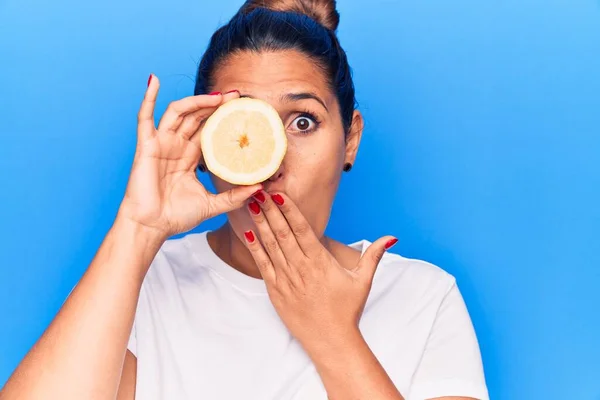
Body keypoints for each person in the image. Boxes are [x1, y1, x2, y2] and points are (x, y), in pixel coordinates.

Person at [0, 0, 489, 399]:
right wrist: (137, 229)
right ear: (206, 145)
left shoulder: (423, 298)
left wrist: (334, 338)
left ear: (350, 140)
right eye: (244, 127)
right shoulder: (145, 282)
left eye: (302, 121)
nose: (271, 162)